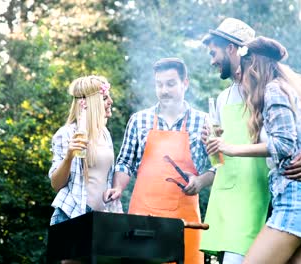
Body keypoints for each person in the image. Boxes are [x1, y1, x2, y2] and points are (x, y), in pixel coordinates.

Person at [198, 18, 301, 264]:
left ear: (249, 61)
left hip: (289, 198)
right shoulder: (286, 87)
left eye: (244, 67)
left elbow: (285, 144)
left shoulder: (272, 89)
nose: (241, 74)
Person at [104, 58, 213, 264]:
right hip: (143, 219)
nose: (164, 90)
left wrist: (200, 182)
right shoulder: (138, 120)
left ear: (185, 83)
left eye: (170, 83)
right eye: (159, 84)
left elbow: (217, 167)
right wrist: (118, 187)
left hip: (185, 220)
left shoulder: (204, 121)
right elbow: (125, 162)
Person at [48, 75, 119, 226]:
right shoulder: (67, 134)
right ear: (90, 103)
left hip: (100, 218)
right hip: (72, 215)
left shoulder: (105, 134)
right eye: (105, 98)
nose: (110, 102)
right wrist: (69, 157)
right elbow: (56, 184)